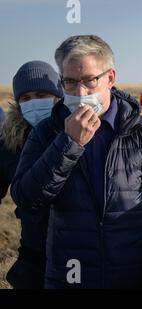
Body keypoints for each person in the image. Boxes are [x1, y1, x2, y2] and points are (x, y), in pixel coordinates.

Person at [11, 35, 142, 288]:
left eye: (89, 80)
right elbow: (27, 199)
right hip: (69, 277)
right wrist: (69, 143)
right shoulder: (46, 133)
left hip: (135, 277)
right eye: (69, 82)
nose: (80, 92)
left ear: (110, 78)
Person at [0, 61, 63, 288]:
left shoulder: (76, 131)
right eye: (25, 98)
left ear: (58, 95)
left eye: (41, 94)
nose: (34, 102)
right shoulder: (10, 141)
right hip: (33, 248)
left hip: (79, 248)